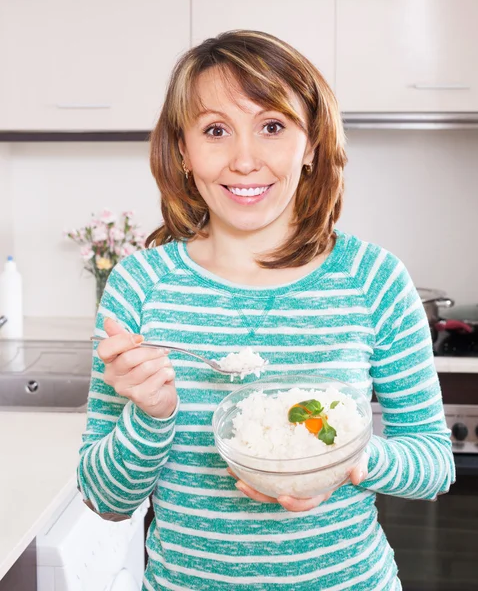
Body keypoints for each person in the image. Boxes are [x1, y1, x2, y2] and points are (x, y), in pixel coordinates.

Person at [77, 30, 455, 590]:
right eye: (215, 130)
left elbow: (434, 464)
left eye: (272, 127)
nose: (245, 159)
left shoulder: (373, 279)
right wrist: (151, 415)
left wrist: (348, 460)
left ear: (311, 146)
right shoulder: (141, 285)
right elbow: (105, 500)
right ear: (182, 150)